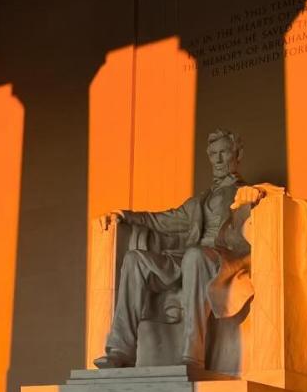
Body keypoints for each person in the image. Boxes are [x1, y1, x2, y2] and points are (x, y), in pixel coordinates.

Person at [94, 129, 265, 369]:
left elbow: (273, 197)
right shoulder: (198, 202)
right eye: (213, 154)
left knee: (194, 257)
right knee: (135, 260)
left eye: (224, 152)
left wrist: (257, 194)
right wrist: (123, 215)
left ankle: (193, 355)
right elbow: (162, 220)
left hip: (224, 260)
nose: (217, 160)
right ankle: (121, 351)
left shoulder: (248, 193)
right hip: (189, 259)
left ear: (238, 154)